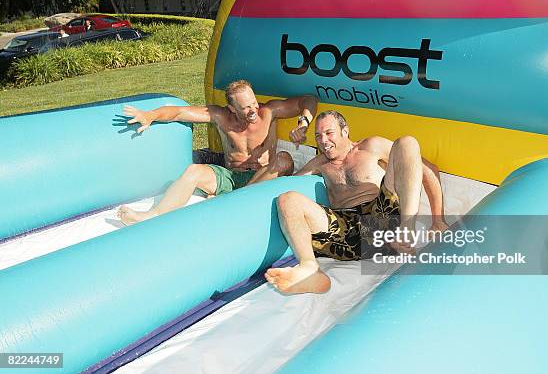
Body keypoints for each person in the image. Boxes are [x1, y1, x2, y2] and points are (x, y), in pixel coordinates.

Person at [265, 110, 447, 294]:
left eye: (329, 133)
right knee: (287, 199)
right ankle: (310, 269)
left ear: (345, 131)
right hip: (347, 234)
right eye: (318, 136)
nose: (323, 141)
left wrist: (438, 220)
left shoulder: (371, 146)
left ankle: (406, 232)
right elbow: (290, 184)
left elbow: (427, 169)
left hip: (382, 219)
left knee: (407, 142)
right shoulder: (319, 163)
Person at [117, 80, 318, 225]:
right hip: (231, 178)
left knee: (284, 160)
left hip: (263, 177)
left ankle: (230, 201)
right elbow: (178, 112)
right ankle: (153, 216)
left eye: (254, 103)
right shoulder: (221, 116)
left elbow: (308, 101)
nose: (253, 110)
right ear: (232, 108)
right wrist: (151, 116)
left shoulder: (269, 112)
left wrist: (304, 124)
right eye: (246, 107)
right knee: (194, 171)